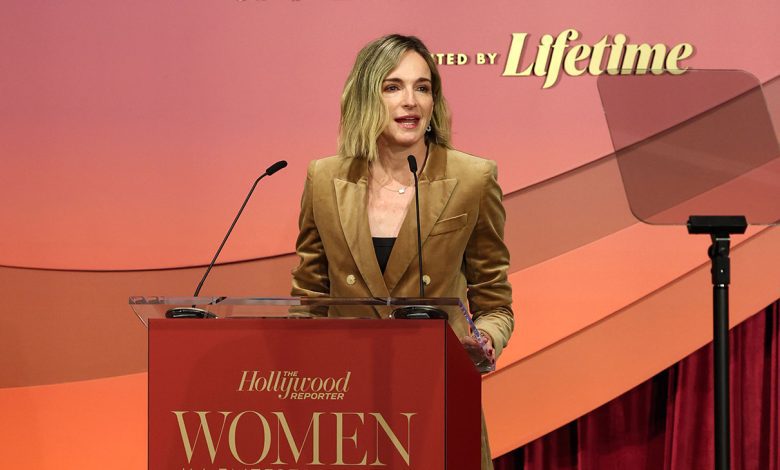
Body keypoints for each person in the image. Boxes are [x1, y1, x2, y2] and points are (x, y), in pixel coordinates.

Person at [291, 34, 513, 469]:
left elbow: (495, 303)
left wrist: (483, 341)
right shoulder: (323, 178)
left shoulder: (472, 178)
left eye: (422, 87)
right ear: (365, 97)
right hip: (345, 407)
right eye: (392, 86)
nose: (410, 100)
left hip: (437, 398)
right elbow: (309, 302)